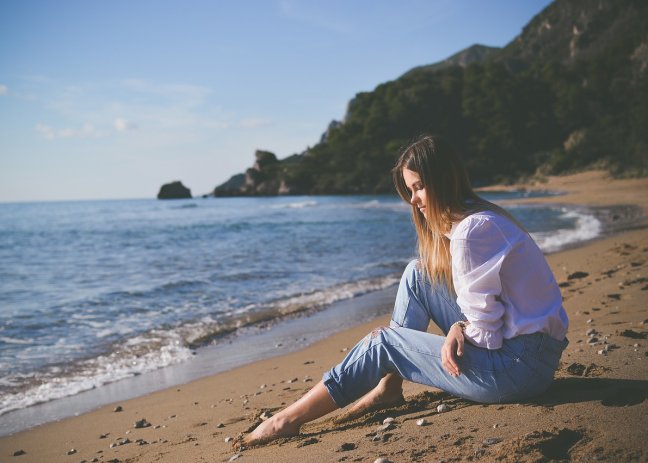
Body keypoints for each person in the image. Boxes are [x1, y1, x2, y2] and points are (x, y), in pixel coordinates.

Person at [237, 134, 569, 448]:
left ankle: (287, 419)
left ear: (443, 180)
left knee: (384, 342)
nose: (413, 199)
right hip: (530, 355)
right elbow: (494, 318)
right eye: (411, 189)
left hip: (517, 369)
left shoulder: (471, 232)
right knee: (417, 273)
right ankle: (388, 387)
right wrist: (461, 327)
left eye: (420, 187)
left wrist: (460, 328)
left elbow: (487, 336)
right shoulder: (481, 219)